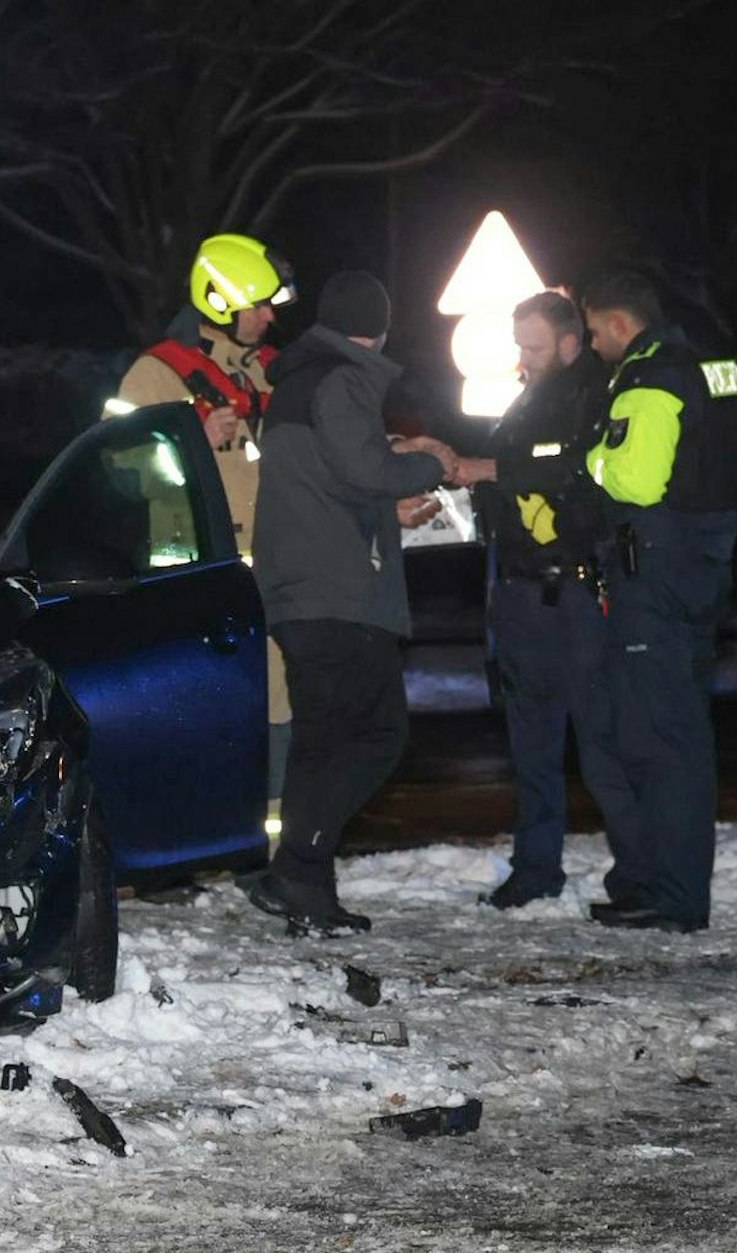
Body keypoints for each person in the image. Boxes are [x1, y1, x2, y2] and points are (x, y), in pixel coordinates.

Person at [243, 270, 456, 934]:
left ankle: (307, 887)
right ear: (380, 327)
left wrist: (390, 494)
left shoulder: (301, 381)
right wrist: (432, 463)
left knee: (320, 741)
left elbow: (337, 480)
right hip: (336, 594)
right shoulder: (342, 377)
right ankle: (296, 864)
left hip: (303, 589)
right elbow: (365, 469)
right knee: (379, 733)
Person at [575, 271, 737, 933]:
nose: (593, 345)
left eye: (594, 331)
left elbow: (634, 479)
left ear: (620, 324)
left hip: (652, 574)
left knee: (661, 740)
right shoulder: (718, 369)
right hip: (702, 567)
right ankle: (660, 885)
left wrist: (590, 457)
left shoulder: (649, 378)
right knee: (667, 729)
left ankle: (674, 897)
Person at [452, 291, 645, 909]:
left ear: (570, 342)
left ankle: (639, 875)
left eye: (534, 347)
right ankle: (536, 869)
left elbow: (571, 470)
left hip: (574, 594)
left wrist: (487, 470)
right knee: (531, 743)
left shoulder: (597, 395)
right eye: (519, 346)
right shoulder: (532, 395)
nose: (523, 359)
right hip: (524, 593)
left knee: (600, 745)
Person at [110, 232, 297, 826]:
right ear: (220, 302)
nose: (269, 316)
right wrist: (190, 439)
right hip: (190, 578)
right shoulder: (156, 375)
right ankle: (180, 844)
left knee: (277, 710)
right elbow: (121, 469)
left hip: (271, 572)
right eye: (259, 304)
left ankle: (266, 849)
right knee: (190, 713)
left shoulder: (270, 370)